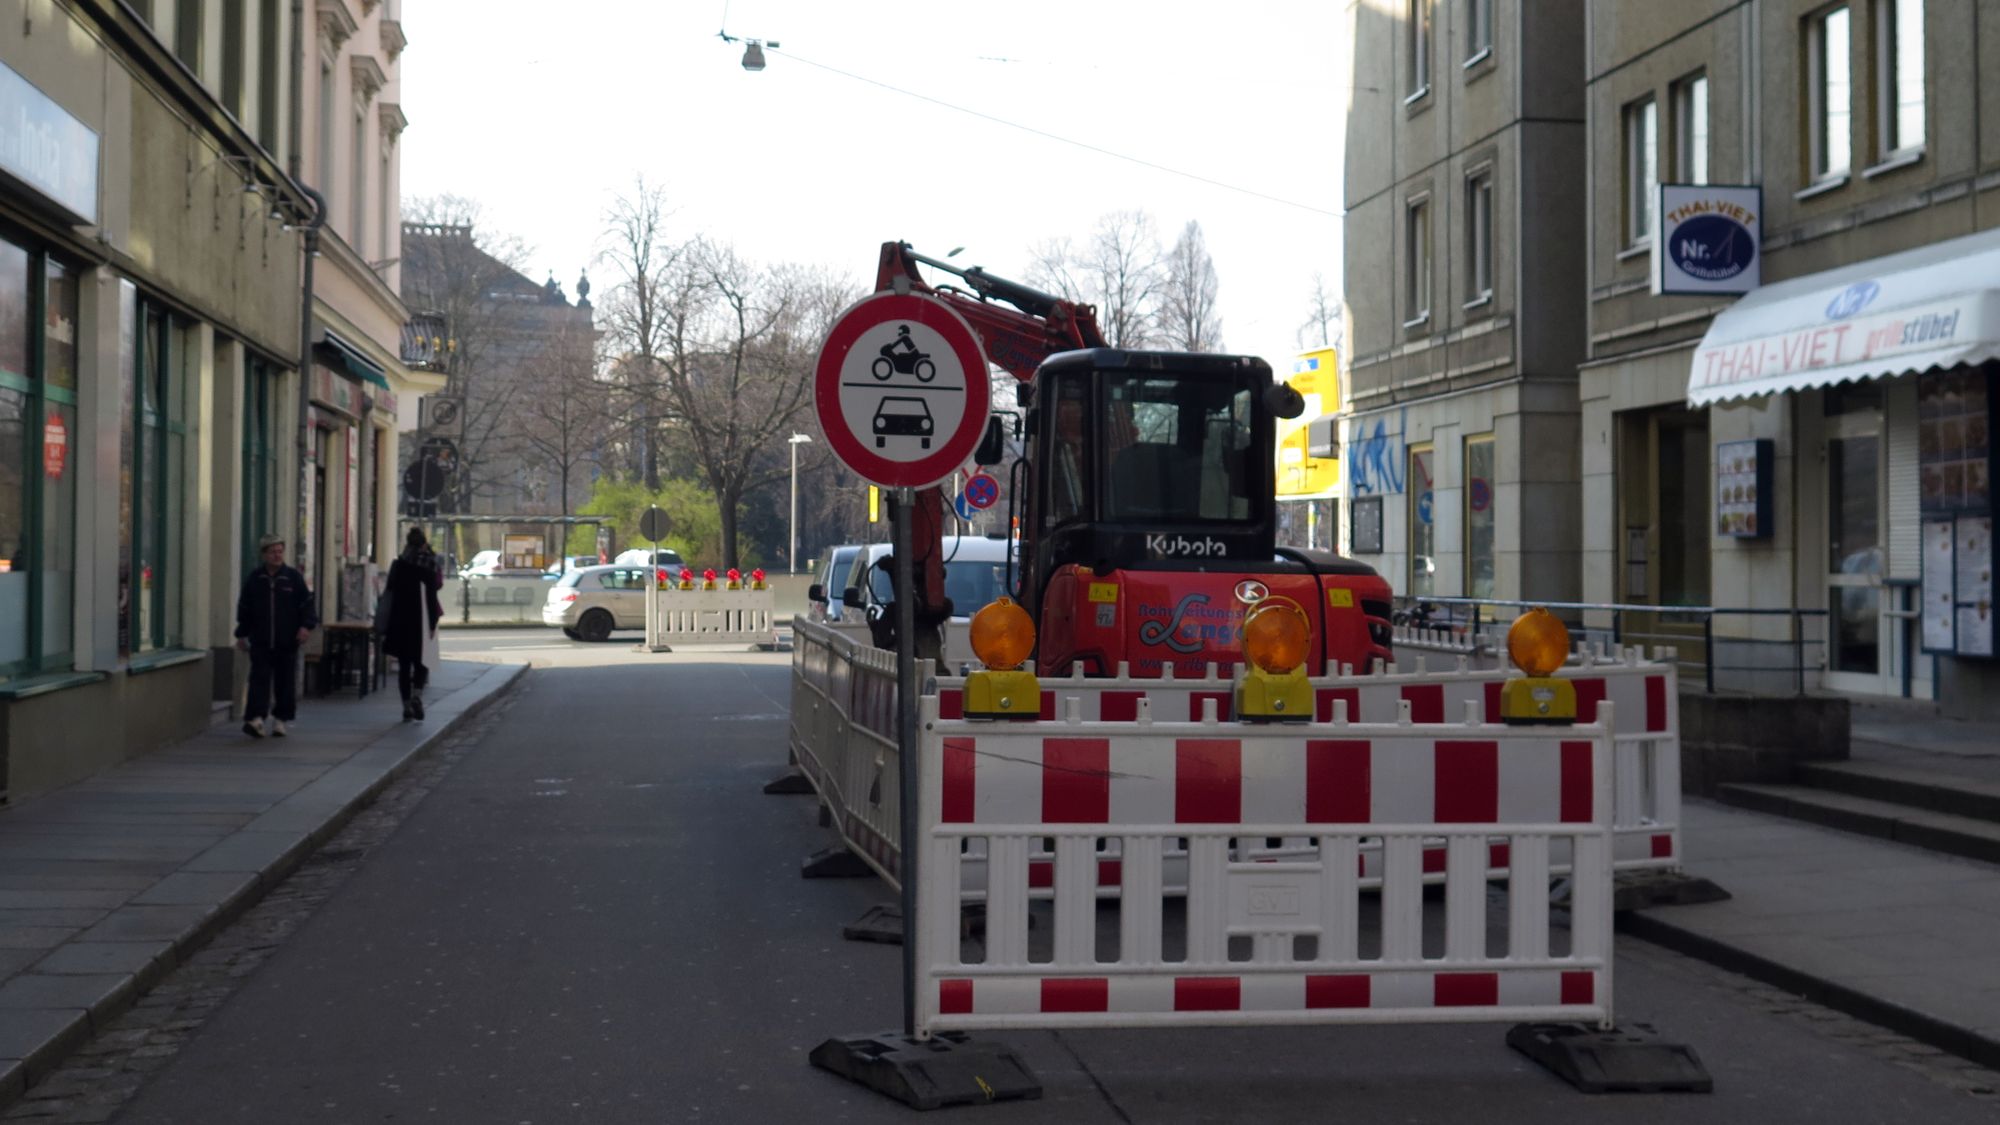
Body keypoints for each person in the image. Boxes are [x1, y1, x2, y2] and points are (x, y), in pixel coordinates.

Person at [235, 533, 318, 738]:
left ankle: (281, 719)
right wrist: (242, 634)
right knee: (258, 679)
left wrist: (306, 627)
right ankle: (255, 719)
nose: (277, 555)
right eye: (272, 552)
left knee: (284, 681)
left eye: (280, 551)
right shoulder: (255, 579)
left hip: (287, 640)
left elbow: (307, 605)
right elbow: (245, 609)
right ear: (264, 555)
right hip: (261, 639)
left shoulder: (292, 578)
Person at [381, 527, 445, 721]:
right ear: (424, 543)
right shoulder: (429, 564)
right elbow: (432, 595)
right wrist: (433, 623)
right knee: (421, 662)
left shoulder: (399, 564)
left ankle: (406, 705)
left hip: (400, 620)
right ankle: (417, 694)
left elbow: (390, 588)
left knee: (404, 664)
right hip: (421, 620)